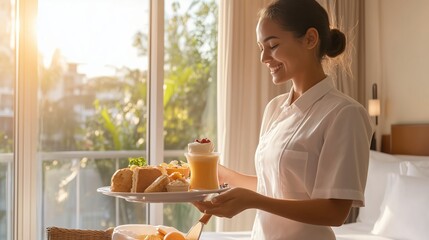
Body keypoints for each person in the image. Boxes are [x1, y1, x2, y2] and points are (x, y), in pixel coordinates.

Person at [193, 0, 374, 239]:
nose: (263, 58)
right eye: (261, 47)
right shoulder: (275, 109)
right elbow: (276, 185)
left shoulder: (345, 114)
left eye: (273, 45)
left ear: (310, 39)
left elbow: (334, 212)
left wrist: (254, 202)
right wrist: (223, 176)